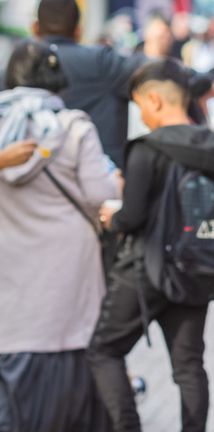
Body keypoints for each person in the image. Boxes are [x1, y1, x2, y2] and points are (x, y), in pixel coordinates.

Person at [87, 59, 214, 432]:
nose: (141, 117)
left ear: (154, 100)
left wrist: (110, 217)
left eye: (138, 107)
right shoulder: (212, 146)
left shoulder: (148, 148)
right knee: (188, 367)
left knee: (104, 350)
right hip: (197, 268)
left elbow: (132, 217)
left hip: (147, 269)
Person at [0, 40, 119, 432]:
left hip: (13, 298)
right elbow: (99, 195)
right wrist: (114, 182)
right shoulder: (73, 126)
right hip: (70, 286)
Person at [33, 0, 145, 168]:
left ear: (35, 28)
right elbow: (158, 72)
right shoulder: (102, 62)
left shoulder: (16, 67)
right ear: (79, 31)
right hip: (101, 177)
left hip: (32, 180)